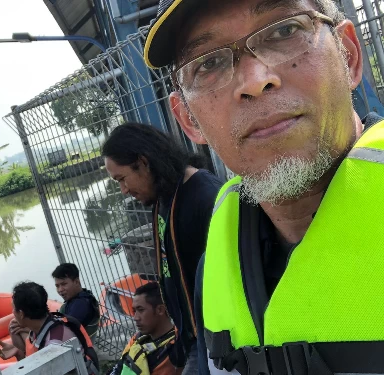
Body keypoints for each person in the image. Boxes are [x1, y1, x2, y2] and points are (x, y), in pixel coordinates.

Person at [143, 0, 384, 374]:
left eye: (284, 31)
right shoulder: (216, 268)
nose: (255, 80)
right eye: (208, 63)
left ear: (349, 55)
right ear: (188, 120)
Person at [102, 122, 224, 374]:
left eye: (122, 179)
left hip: (217, 342)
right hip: (189, 337)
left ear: (144, 162)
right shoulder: (165, 196)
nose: (124, 190)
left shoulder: (204, 196)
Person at [0, 281, 100, 374]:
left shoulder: (54, 345)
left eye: (13, 309)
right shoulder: (43, 326)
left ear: (21, 313)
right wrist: (18, 352)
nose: (12, 313)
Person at [108, 282, 185, 375]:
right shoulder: (138, 339)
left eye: (141, 310)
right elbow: (118, 368)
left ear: (160, 310)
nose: (135, 317)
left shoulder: (177, 347)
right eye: (134, 311)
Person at [52, 263, 101, 338]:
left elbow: (63, 335)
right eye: (57, 286)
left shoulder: (81, 305)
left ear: (76, 282)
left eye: (64, 284)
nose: (60, 290)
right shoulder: (82, 296)